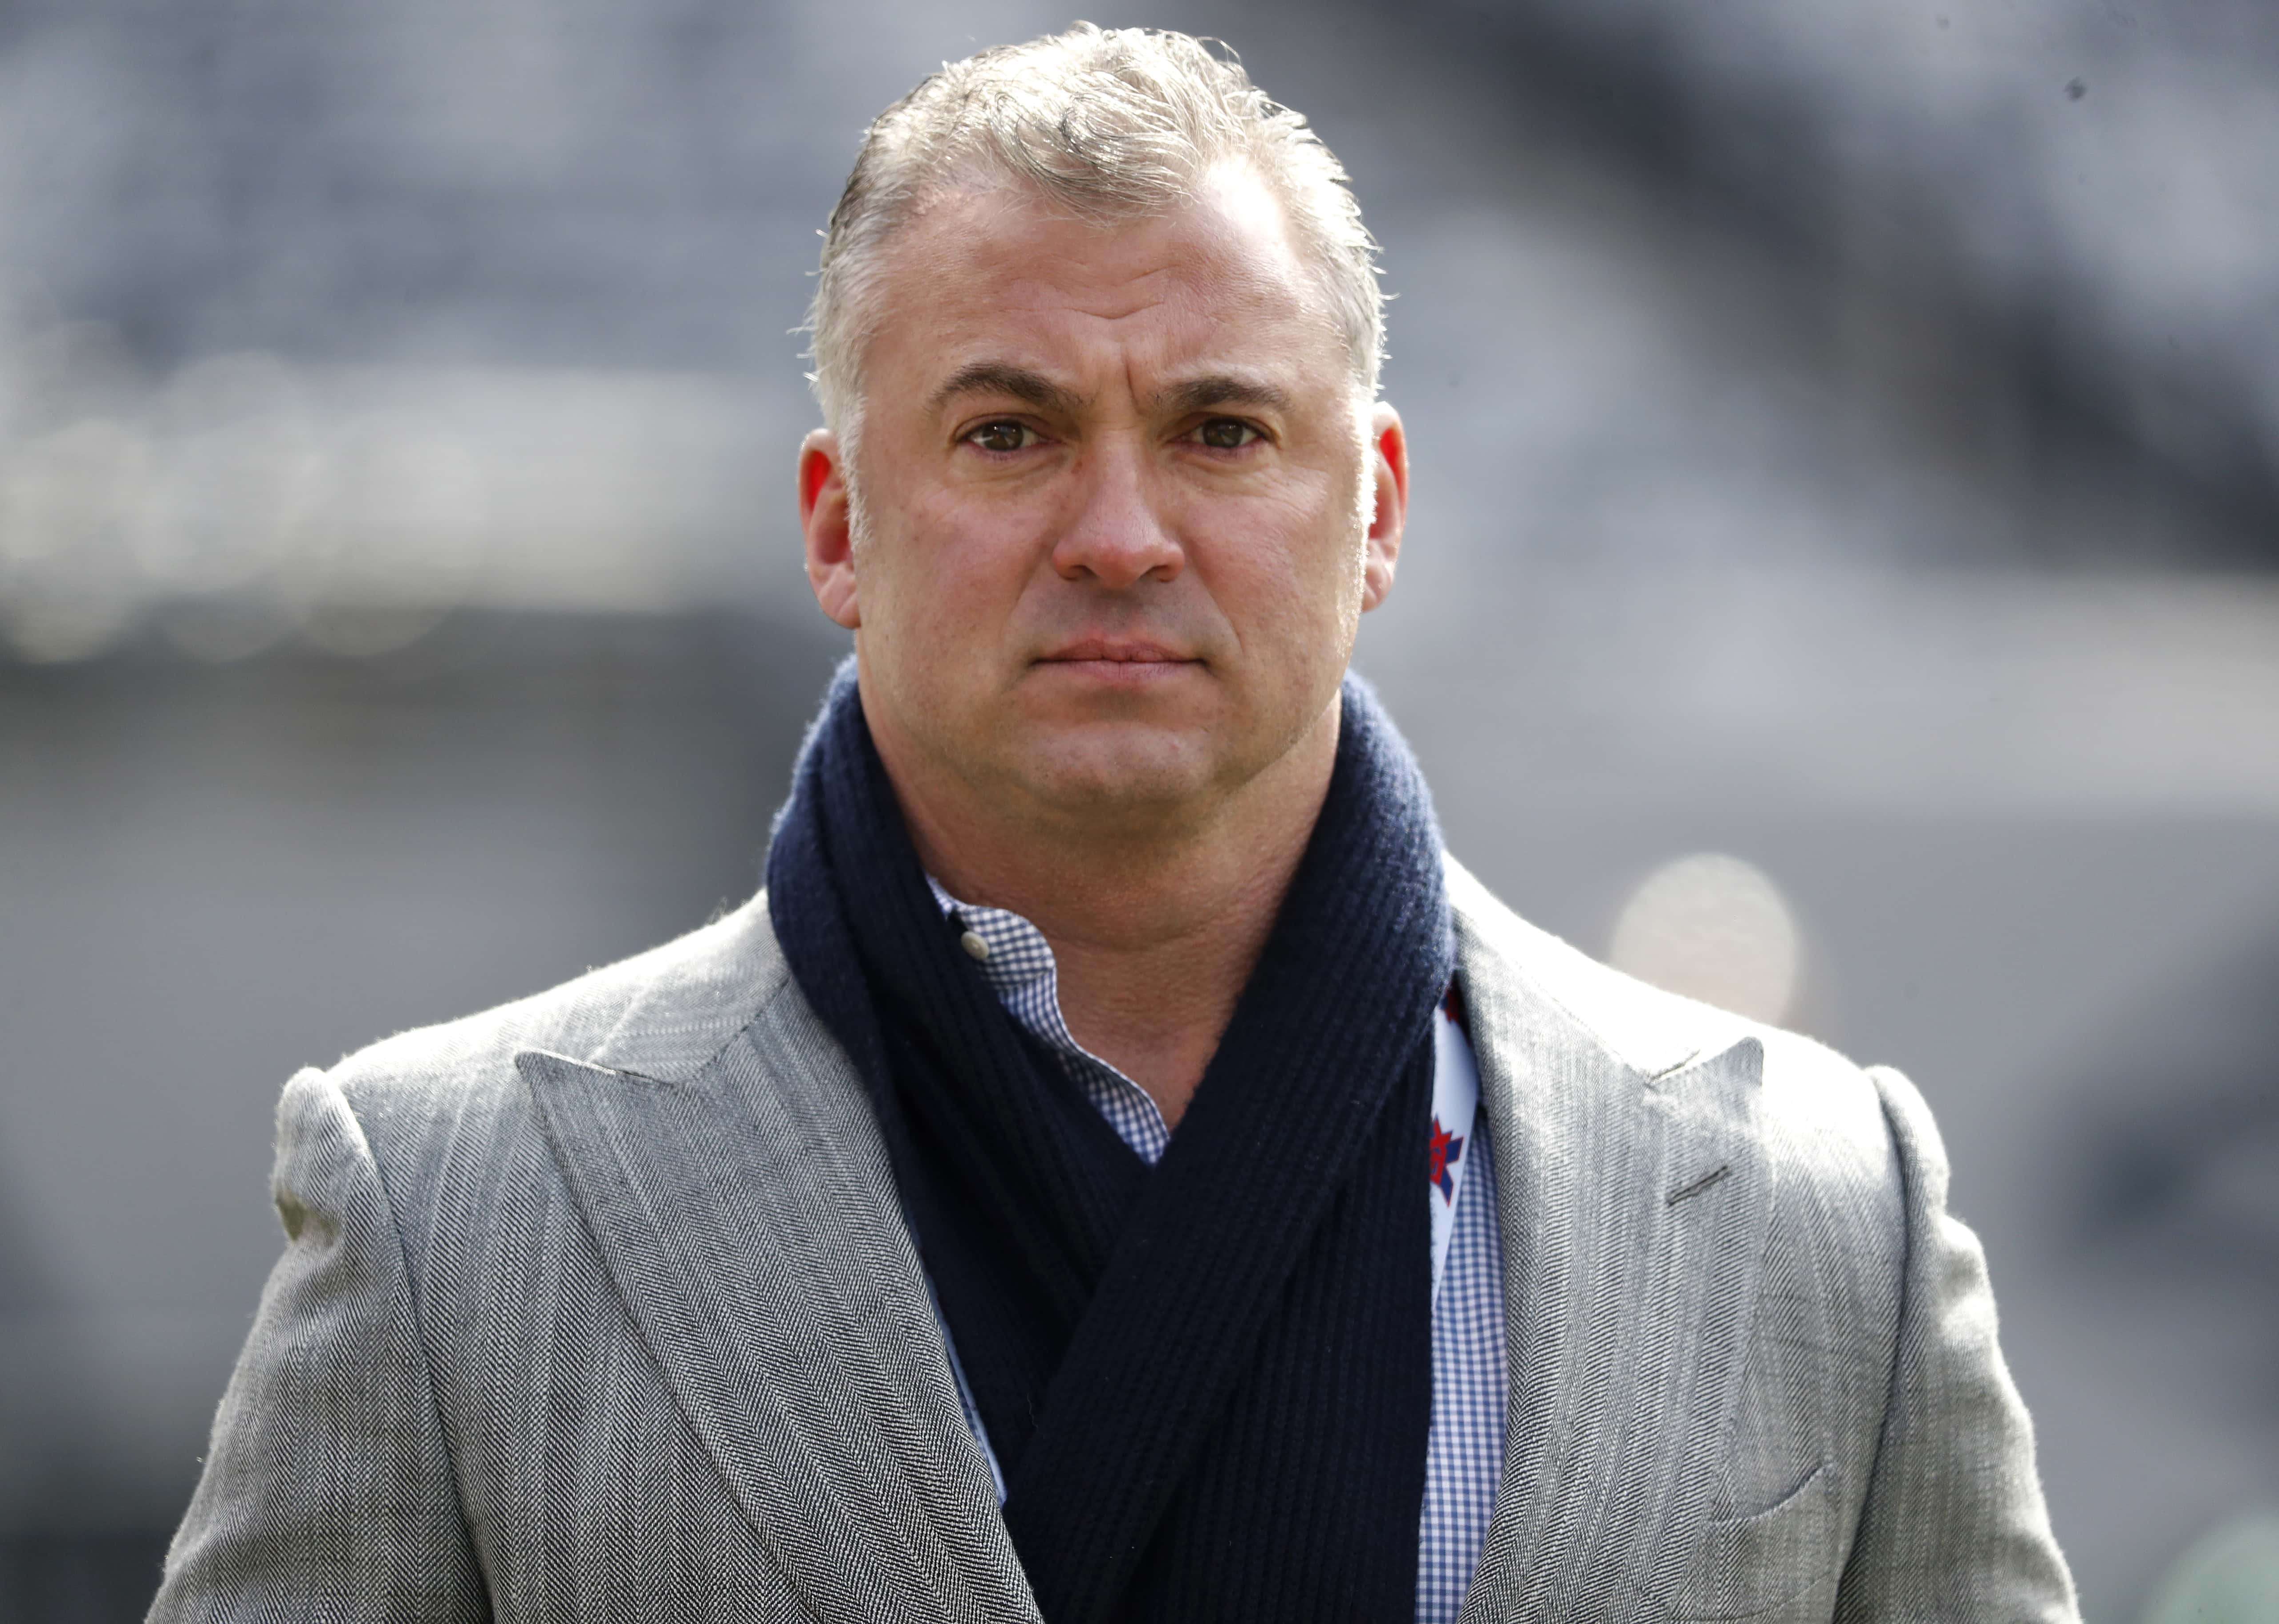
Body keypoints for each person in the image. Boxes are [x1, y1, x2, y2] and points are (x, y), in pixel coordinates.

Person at [150, 26, 2079, 1624]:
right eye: (1009, 433)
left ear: (1377, 507)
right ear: (837, 521)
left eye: (1224, 432)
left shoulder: (1833, 1220)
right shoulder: (453, 1212)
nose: (1123, 535)